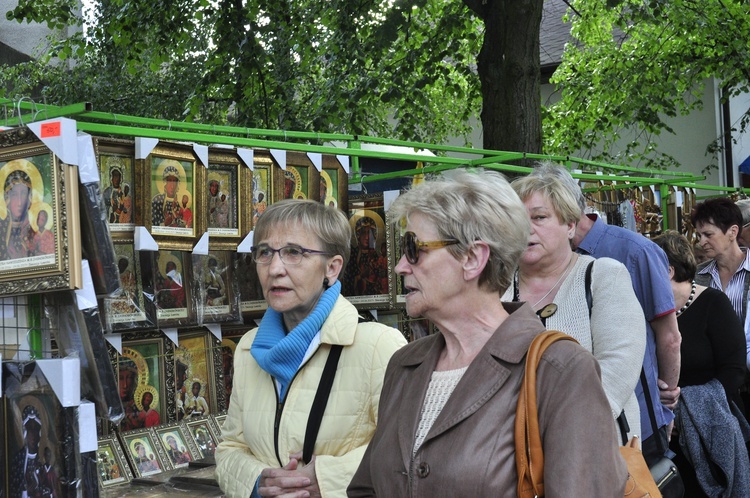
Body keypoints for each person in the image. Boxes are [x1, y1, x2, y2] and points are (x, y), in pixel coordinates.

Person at [348, 170, 627, 497]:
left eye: (414, 248)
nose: (400, 267)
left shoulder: (560, 370)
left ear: (473, 258)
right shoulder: (404, 365)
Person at [215, 199, 407, 498]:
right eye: (265, 252)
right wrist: (259, 482)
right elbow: (230, 449)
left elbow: (406, 452)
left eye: (294, 252)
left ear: (332, 267)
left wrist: (323, 481)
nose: (275, 268)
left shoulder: (379, 347)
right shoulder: (249, 349)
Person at [537, 162, 682, 467]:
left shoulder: (633, 251)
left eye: (539, 216)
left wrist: (665, 401)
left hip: (635, 425)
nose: (528, 228)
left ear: (568, 215)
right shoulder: (532, 266)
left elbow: (669, 336)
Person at [503, 172, 647, 439]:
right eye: (517, 219)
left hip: (591, 450)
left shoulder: (603, 276)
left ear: (570, 225)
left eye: (539, 217)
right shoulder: (496, 288)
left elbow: (617, 372)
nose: (526, 228)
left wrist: (545, 430)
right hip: (511, 455)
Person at [653, 230, 749, 497]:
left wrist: (687, 407)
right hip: (665, 430)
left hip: (714, 429)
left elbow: (734, 369)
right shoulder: (647, 311)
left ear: (668, 271)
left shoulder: (713, 303)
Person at [691, 198, 750, 324]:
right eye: (699, 235)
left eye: (708, 234)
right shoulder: (698, 275)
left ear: (733, 232)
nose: (702, 242)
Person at [0, 165, 36, 260]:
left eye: (23, 193)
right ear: (7, 198)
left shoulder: (35, 230)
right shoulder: (1, 229)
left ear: (29, 198)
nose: (19, 202)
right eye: (15, 194)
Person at [151, 162, 183, 227]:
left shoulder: (178, 203)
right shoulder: (157, 200)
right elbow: (152, 224)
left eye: (174, 182)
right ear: (165, 182)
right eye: (169, 181)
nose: (172, 186)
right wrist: (165, 224)